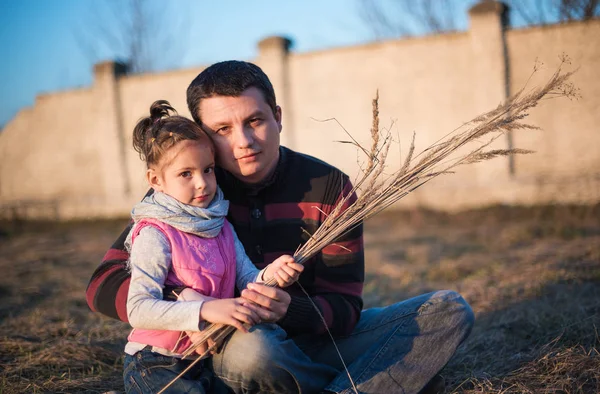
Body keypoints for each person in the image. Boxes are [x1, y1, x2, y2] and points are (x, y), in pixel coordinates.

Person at [87, 60, 475, 394]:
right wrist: (196, 305)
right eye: (222, 130)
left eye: (255, 120)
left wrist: (289, 309)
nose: (243, 141)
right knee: (258, 351)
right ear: (203, 137)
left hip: (316, 343)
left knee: (447, 311)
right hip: (232, 345)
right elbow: (103, 284)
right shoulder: (190, 194)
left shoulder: (329, 186)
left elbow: (345, 308)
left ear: (278, 117)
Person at [121, 100, 303, 393]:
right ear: (155, 180)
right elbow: (139, 309)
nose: (203, 183)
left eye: (208, 170)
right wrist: (205, 309)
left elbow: (248, 280)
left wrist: (273, 274)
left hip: (206, 359)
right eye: (186, 174)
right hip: (156, 361)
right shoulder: (156, 232)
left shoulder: (221, 226)